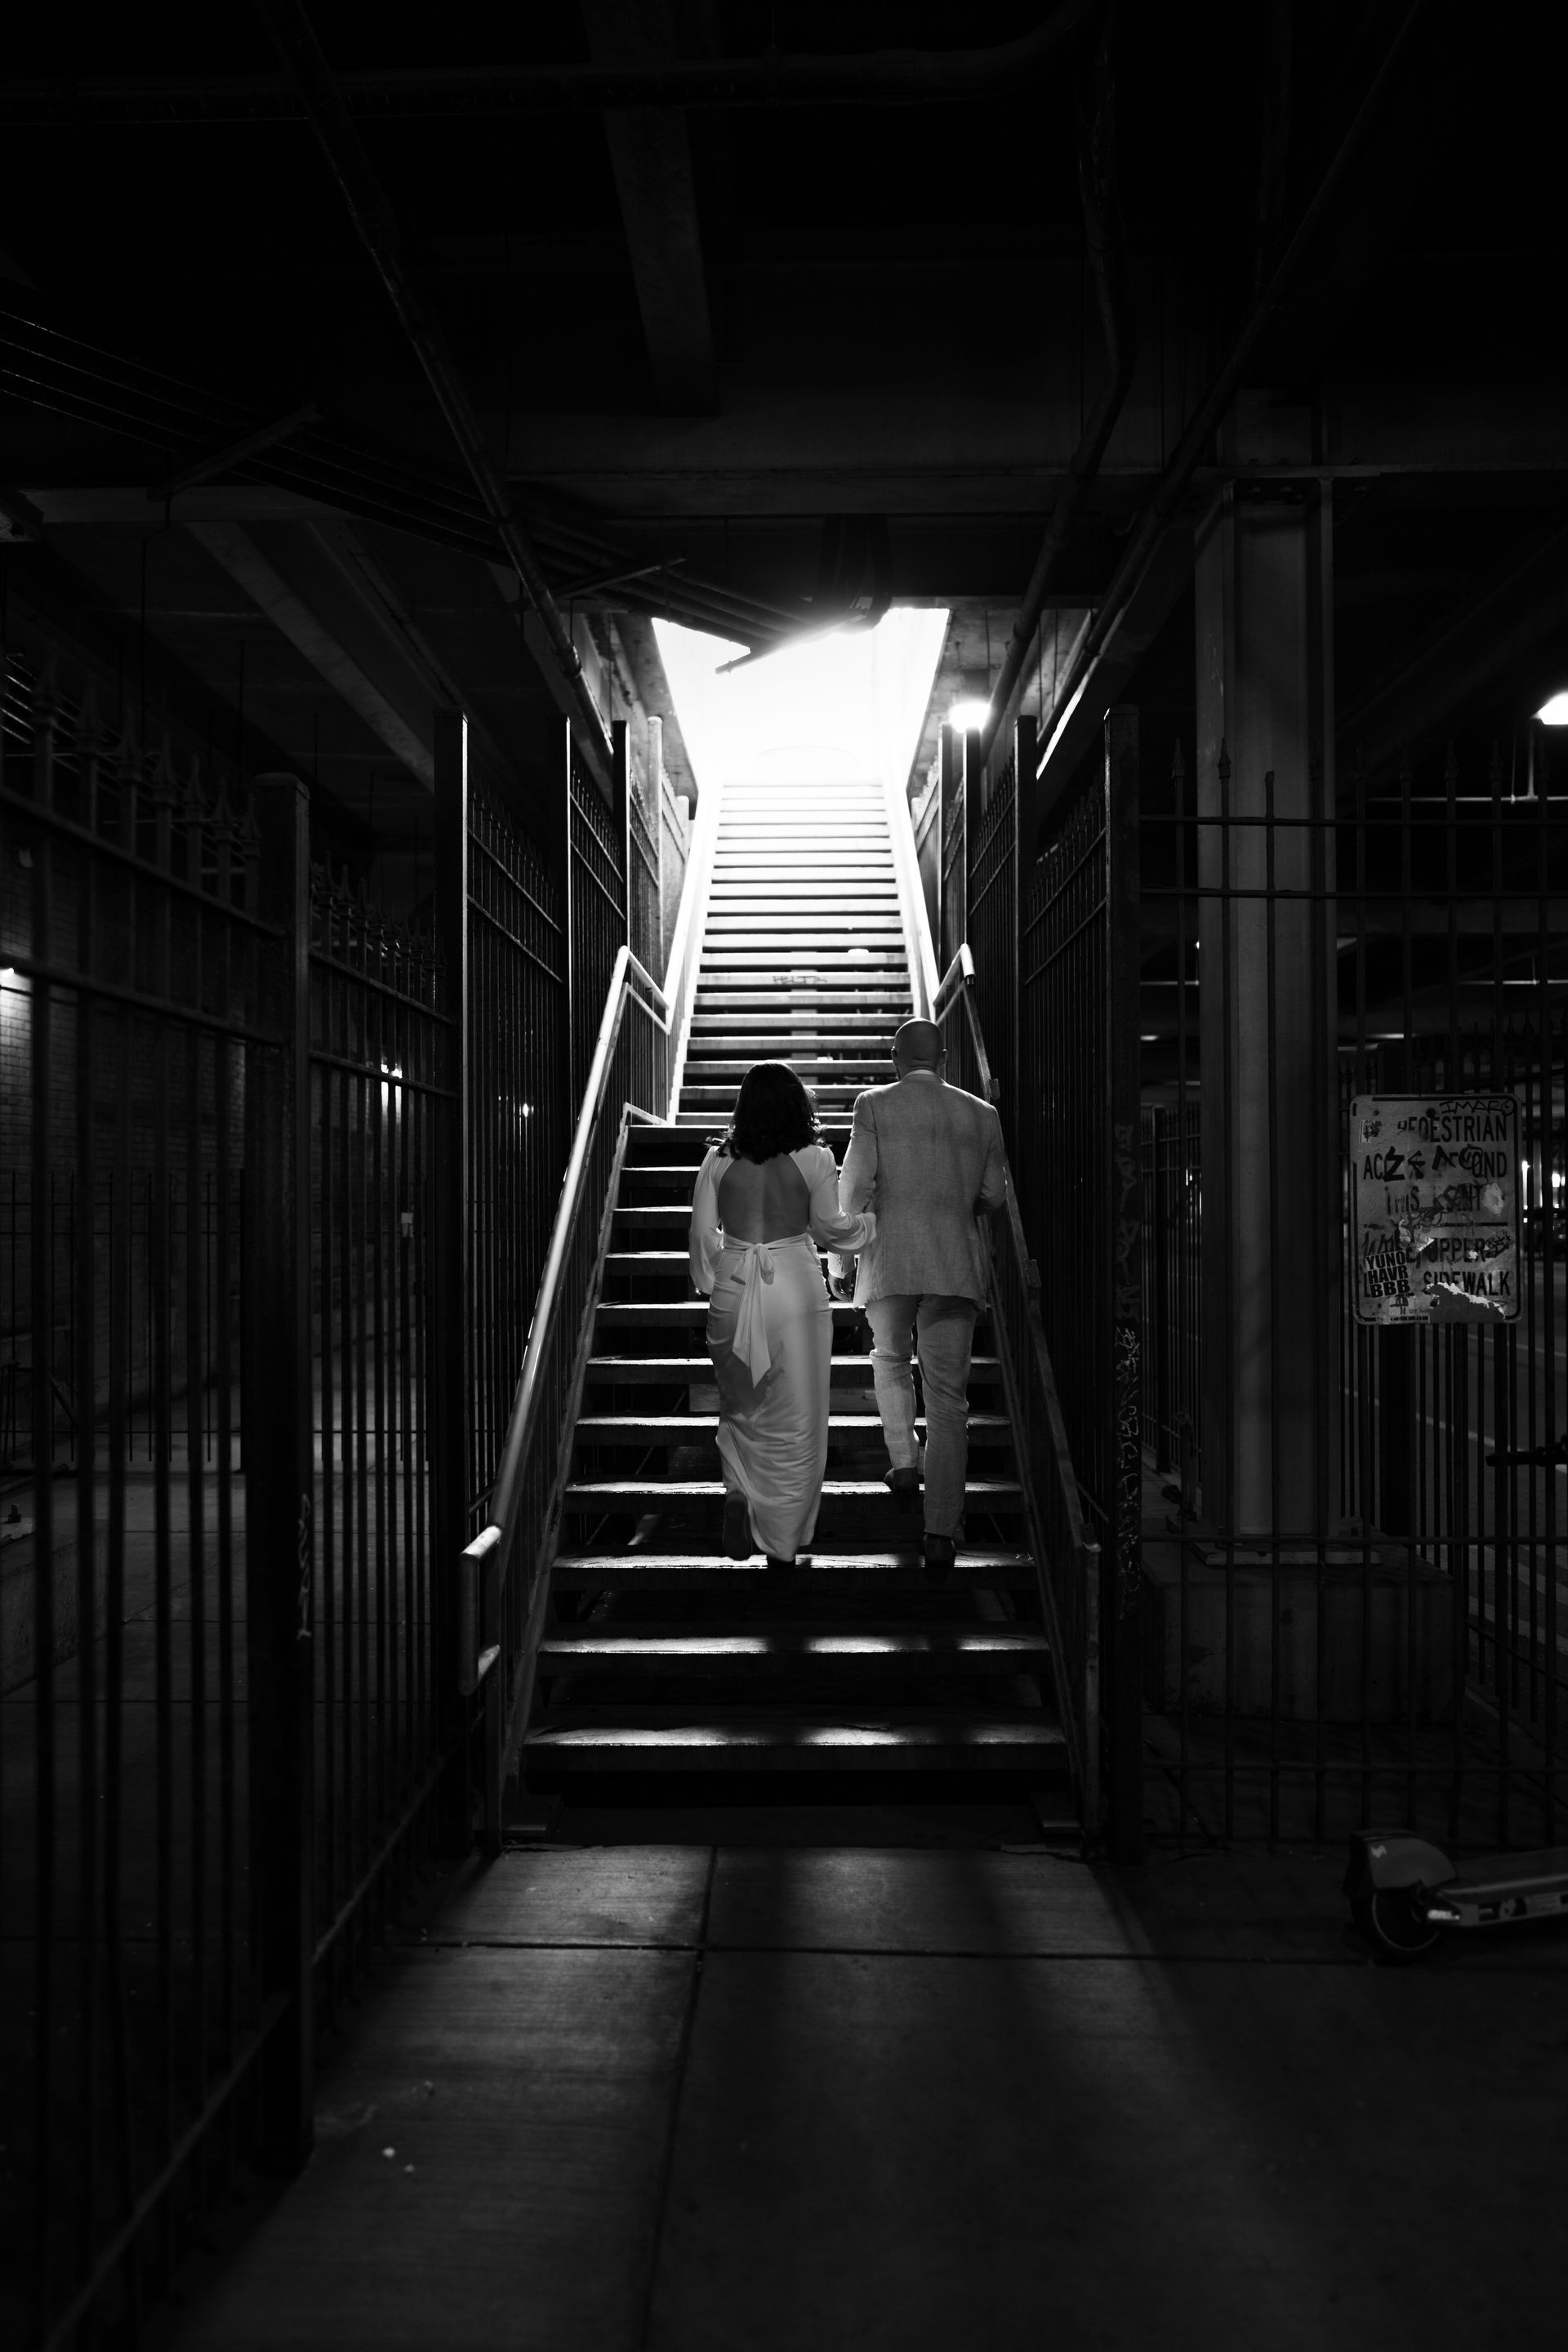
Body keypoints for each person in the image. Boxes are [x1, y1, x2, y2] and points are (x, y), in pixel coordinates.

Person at [831, 1018, 1005, 1578]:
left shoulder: (873, 1103)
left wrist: (840, 1257)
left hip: (891, 1257)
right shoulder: (982, 1114)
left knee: (888, 1358)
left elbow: (854, 1187)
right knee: (949, 1399)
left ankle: (904, 1462)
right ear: (947, 1057)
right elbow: (992, 1195)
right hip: (954, 1263)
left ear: (893, 1056)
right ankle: (940, 1531)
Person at [689, 1061, 876, 1569]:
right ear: (798, 1105)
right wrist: (872, 1226)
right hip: (792, 1285)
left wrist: (717, 1284)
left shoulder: (716, 1161)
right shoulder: (815, 1158)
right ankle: (780, 1542)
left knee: (742, 1407)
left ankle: (739, 1493)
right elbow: (830, 1229)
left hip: (735, 1283)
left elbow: (705, 1238)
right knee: (799, 1419)